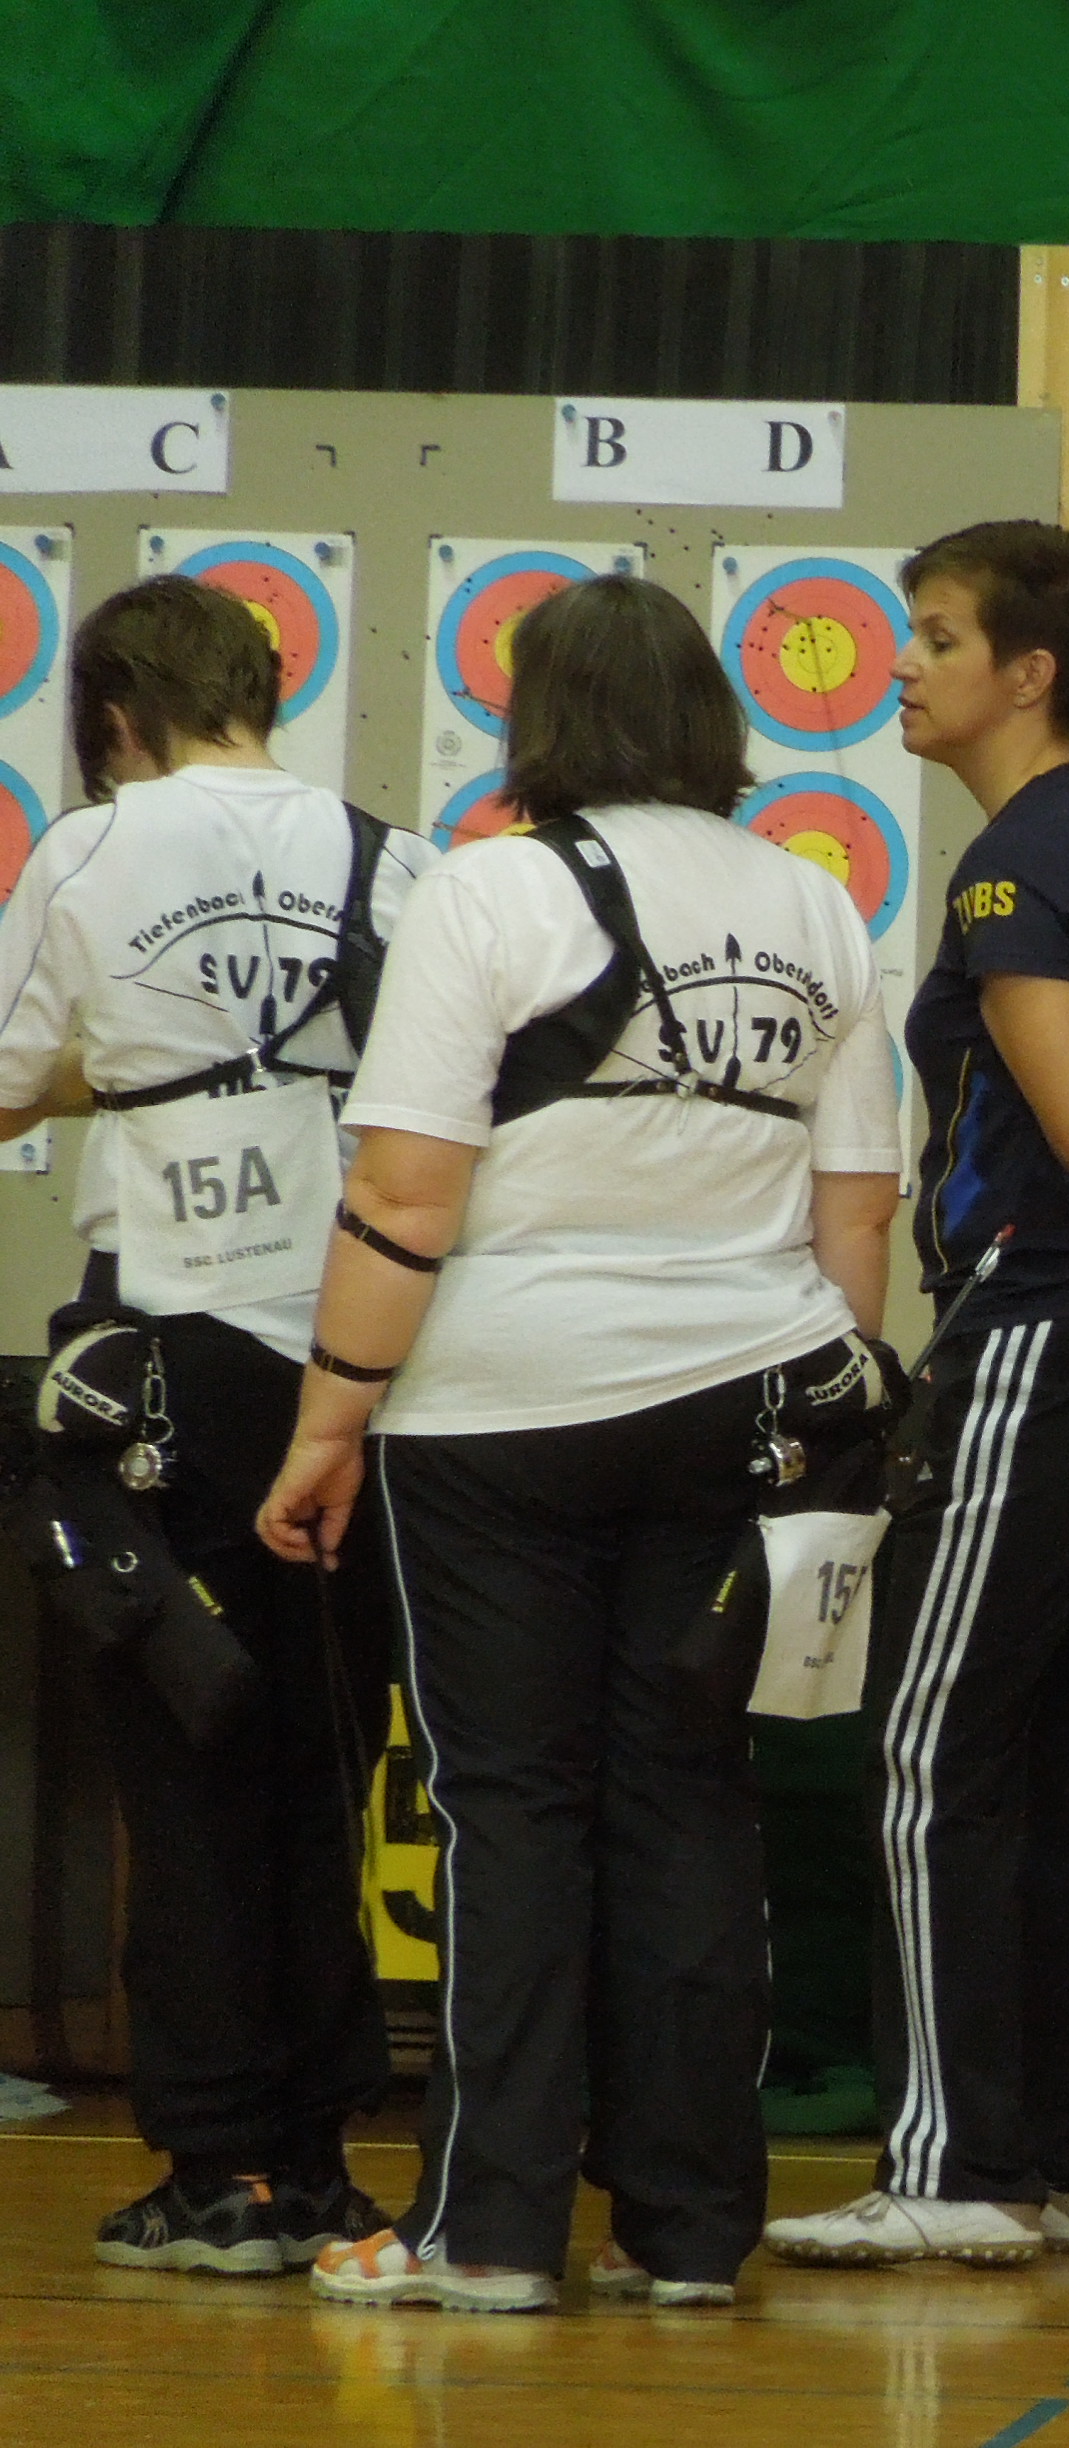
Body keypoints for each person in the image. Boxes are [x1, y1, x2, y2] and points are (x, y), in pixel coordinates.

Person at [253, 572, 902, 2311]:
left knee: (513, 1811)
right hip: (744, 1401)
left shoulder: (492, 890)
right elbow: (856, 1214)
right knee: (691, 1797)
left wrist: (328, 1419)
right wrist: (817, 1410)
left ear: (536, 717)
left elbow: (405, 1190)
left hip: (499, 1417)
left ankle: (489, 2232)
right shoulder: (818, 905)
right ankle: (687, 2233)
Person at [768, 522, 1069, 2271]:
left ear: (1029, 673)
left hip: (1038, 1335)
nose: (901, 665)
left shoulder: (1010, 875)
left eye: (936, 636)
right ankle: (1064, 2164)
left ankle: (952, 2170)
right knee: (1065, 1760)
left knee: (930, 1749)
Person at [0, 577, 430, 2275]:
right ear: (264, 688)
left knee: (187, 1756)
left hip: (170, 1362)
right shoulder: (391, 858)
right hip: (357, 1368)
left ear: (114, 718)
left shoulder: (95, 849)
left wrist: (119, 1066)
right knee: (322, 1763)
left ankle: (217, 2173)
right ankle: (317, 2160)